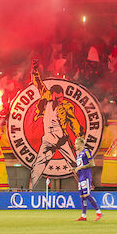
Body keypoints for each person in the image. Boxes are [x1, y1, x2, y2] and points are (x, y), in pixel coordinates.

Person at [29, 59, 83, 190]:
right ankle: (30, 189)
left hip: (61, 137)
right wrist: (34, 71)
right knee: (39, 163)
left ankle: (85, 185)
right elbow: (38, 83)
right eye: (57, 98)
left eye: (61, 98)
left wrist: (78, 135)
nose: (60, 100)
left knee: (73, 162)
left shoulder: (66, 105)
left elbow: (73, 121)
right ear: (52, 95)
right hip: (48, 137)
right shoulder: (46, 97)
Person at [73, 137, 102, 221]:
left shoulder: (86, 151)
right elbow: (80, 166)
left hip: (86, 176)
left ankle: (99, 212)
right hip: (81, 177)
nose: (75, 145)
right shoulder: (79, 154)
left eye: (76, 143)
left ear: (81, 144)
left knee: (87, 195)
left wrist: (80, 167)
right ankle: (84, 216)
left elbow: (92, 164)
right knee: (82, 196)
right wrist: (74, 168)